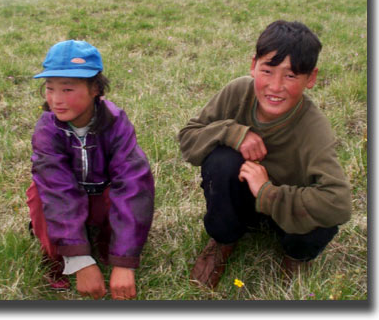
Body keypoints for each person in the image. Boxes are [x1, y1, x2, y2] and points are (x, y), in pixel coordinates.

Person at [178, 20, 351, 289]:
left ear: (311, 78)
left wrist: (269, 193)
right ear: (253, 65)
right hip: (243, 203)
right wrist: (233, 133)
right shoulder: (238, 92)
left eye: (291, 75)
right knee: (221, 160)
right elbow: (188, 138)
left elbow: (339, 203)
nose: (275, 86)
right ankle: (224, 240)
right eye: (267, 70)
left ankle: (296, 256)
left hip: (288, 215)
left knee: (322, 217)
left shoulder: (314, 128)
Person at [26, 40, 155, 300]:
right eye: (50, 89)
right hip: (65, 196)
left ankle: (112, 250)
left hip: (100, 195)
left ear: (95, 88)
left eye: (68, 89)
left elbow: (132, 184)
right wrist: (79, 260)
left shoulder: (116, 122)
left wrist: (124, 262)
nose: (56, 100)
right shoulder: (47, 128)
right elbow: (56, 190)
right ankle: (58, 260)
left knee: (122, 197)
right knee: (40, 195)